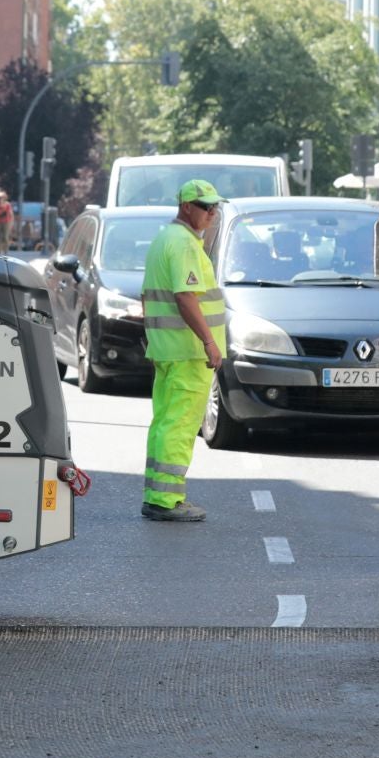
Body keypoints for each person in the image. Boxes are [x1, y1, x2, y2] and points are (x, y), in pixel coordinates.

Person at [140, 180, 228, 523]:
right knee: (179, 425)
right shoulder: (184, 244)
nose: (211, 213)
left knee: (165, 422)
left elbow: (149, 296)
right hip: (188, 352)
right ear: (185, 206)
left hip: (167, 350)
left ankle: (156, 493)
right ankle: (166, 499)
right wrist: (209, 341)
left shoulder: (165, 238)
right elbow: (185, 296)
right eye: (205, 207)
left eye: (214, 207)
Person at [0, 190, 15, 255]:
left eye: (2, 197)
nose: (0, 199)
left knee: (5, 237)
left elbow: (11, 213)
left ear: (5, 198)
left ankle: (5, 252)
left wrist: (12, 222)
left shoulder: (7, 205)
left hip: (6, 222)